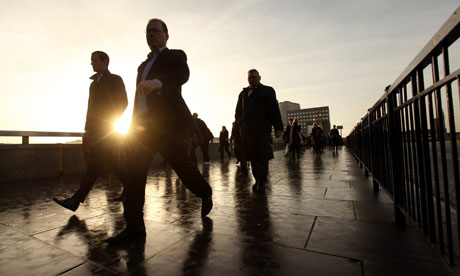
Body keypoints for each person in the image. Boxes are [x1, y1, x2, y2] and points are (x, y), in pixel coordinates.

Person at [104, 18, 213, 244]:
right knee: (134, 174)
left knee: (182, 167)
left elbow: (181, 74)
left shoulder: (175, 56)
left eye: (155, 30)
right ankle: (134, 228)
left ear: (166, 35)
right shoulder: (141, 67)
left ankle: (205, 192)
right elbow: (138, 99)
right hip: (143, 128)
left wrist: (158, 82)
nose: (150, 34)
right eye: (147, 32)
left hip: (168, 125)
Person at [53, 51, 128, 211]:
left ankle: (75, 201)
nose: (92, 63)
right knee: (115, 164)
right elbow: (90, 109)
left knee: (94, 167)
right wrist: (88, 129)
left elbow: (123, 102)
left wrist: (109, 121)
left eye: (95, 60)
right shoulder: (93, 84)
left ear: (105, 62)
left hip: (107, 131)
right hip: (94, 131)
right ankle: (131, 189)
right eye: (91, 61)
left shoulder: (115, 80)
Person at [235, 69, 283, 193]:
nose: (251, 79)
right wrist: (240, 123)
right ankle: (257, 180)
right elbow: (238, 112)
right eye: (249, 77)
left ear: (259, 78)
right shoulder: (243, 94)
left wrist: (278, 127)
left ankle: (262, 181)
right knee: (252, 158)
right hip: (247, 132)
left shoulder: (268, 91)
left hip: (262, 130)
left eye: (254, 77)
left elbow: (274, 110)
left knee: (262, 157)